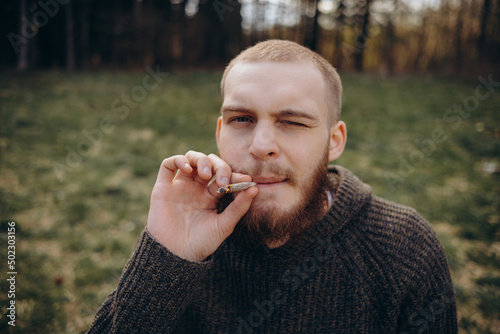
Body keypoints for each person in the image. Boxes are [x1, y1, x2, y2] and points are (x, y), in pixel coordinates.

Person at [88, 40, 457, 333]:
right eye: (242, 118)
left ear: (334, 141)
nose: (260, 144)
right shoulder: (186, 236)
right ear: (220, 132)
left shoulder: (405, 248)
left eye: (292, 122)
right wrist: (167, 260)